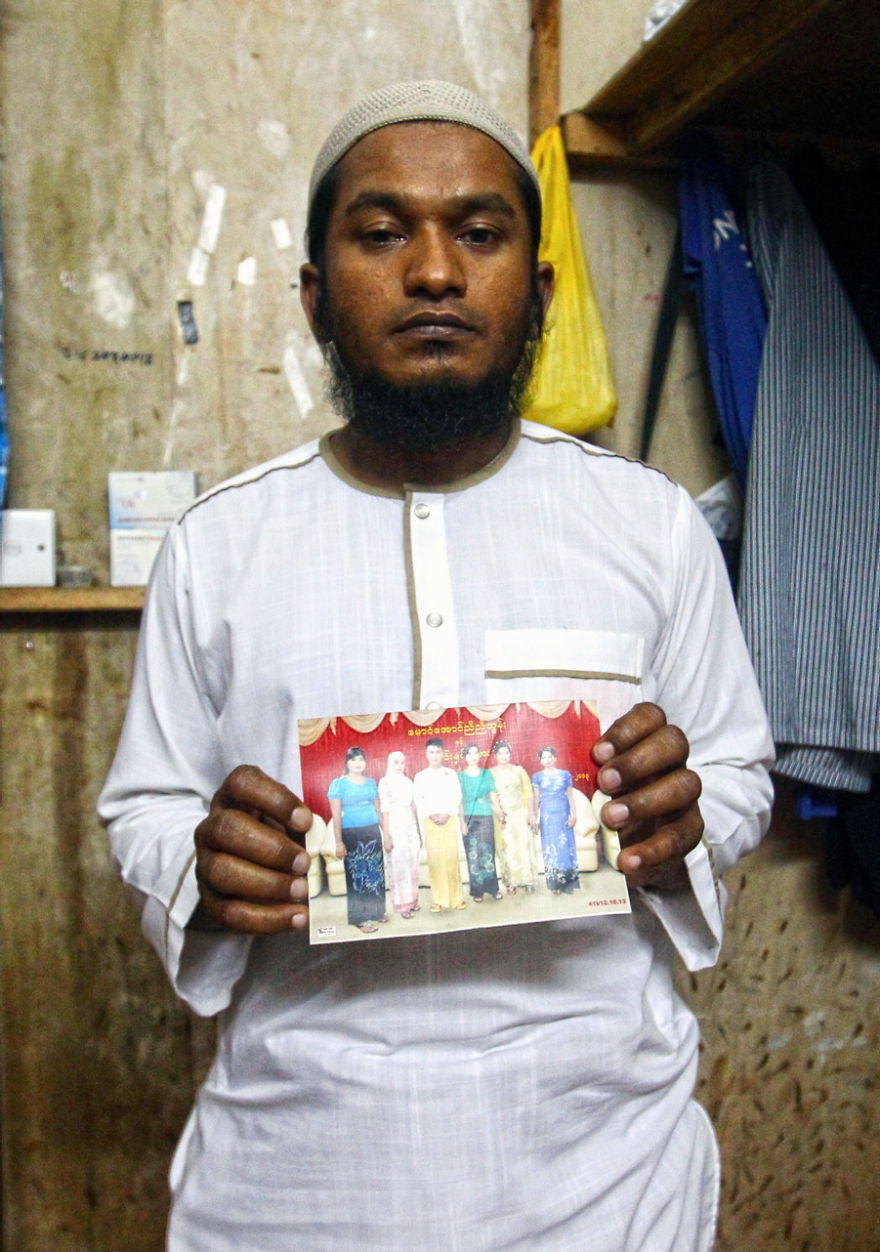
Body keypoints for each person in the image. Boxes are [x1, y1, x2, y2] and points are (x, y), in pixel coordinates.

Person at [99, 80, 774, 1250]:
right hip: (297, 1177)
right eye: (380, 233)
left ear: (539, 291)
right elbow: (146, 802)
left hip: (607, 1177)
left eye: (478, 232)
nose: (432, 272)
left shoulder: (647, 524)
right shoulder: (221, 543)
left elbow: (737, 770)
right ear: (314, 295)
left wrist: (684, 818)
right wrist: (203, 867)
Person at [327, 746, 387, 933]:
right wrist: (339, 842)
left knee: (376, 873)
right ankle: (359, 918)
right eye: (353, 760)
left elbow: (378, 811)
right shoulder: (339, 784)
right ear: (347, 763)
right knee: (357, 875)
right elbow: (336, 816)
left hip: (372, 832)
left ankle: (377, 911)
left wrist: (386, 834)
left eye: (361, 759)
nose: (357, 763)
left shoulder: (371, 783)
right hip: (351, 834)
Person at [412, 737, 467, 912]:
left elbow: (456, 796)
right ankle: (439, 900)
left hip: (449, 820)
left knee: (451, 859)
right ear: (426, 754)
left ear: (443, 753)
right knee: (435, 861)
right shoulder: (420, 776)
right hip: (431, 822)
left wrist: (447, 813)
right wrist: (432, 814)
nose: (435, 755)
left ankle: (457, 898)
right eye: (431, 752)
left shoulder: (450, 774)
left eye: (438, 752)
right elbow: (418, 799)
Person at [378, 749, 421, 919]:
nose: (399, 766)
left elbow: (413, 808)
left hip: (409, 824)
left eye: (402, 762)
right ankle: (403, 905)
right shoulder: (385, 782)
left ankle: (413, 900)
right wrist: (386, 836)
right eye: (396, 762)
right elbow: (385, 810)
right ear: (390, 763)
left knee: (412, 863)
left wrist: (418, 832)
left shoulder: (408, 782)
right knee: (399, 865)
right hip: (395, 825)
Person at [532, 745, 580, 894]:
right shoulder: (537, 777)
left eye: (550, 757)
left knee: (565, 846)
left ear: (555, 758)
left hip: (563, 813)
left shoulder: (565, 775)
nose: (547, 760)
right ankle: (554, 884)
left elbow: (570, 796)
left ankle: (568, 882)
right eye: (544, 757)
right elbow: (536, 798)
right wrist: (535, 816)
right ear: (540, 760)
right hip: (547, 816)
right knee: (550, 847)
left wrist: (574, 814)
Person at [490, 739, 537, 893]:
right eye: (500, 753)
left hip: (520, 812)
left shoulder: (519, 770)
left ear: (510, 754)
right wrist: (499, 812)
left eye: (506, 753)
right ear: (495, 756)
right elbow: (491, 795)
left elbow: (528, 792)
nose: (504, 756)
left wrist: (530, 813)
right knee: (508, 848)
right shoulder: (491, 773)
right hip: (503, 815)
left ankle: (528, 880)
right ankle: (512, 882)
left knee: (524, 845)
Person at [458, 742, 503, 901]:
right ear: (465, 757)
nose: (473, 756)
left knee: (488, 852)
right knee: (473, 854)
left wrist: (500, 814)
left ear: (479, 755)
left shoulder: (486, 774)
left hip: (485, 815)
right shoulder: (460, 776)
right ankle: (477, 891)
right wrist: (462, 822)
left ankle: (493, 889)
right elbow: (459, 801)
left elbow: (493, 795)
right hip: (468, 817)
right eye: (469, 753)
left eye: (476, 753)